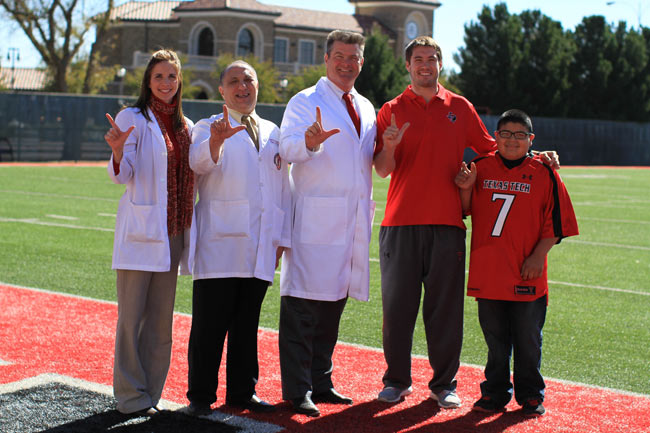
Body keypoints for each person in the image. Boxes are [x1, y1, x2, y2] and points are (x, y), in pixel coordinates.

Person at [373, 36, 560, 408]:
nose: (425, 65)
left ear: (440, 65)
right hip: (400, 224)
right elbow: (381, 169)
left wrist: (536, 155)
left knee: (445, 312)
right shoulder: (391, 110)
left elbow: (496, 148)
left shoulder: (459, 106)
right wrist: (391, 146)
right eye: (418, 59)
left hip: (448, 224)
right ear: (407, 66)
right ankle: (396, 380)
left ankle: (444, 384)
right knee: (397, 309)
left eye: (432, 59)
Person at [278, 29, 377, 417]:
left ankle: (321, 382)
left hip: (349, 223)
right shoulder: (305, 101)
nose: (346, 63)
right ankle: (298, 389)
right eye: (339, 56)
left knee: (333, 306)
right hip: (314, 222)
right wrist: (311, 141)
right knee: (302, 309)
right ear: (326, 59)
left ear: (362, 62)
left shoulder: (366, 106)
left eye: (353, 57)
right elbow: (287, 148)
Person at [454, 109, 578, 417]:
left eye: (520, 135)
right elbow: (465, 211)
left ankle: (531, 394)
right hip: (489, 271)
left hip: (527, 272)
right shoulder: (480, 166)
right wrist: (466, 189)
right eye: (506, 134)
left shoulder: (544, 171)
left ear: (530, 139)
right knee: (495, 342)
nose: (512, 140)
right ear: (495, 137)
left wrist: (538, 256)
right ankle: (494, 393)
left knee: (528, 341)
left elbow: (558, 224)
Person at [185, 60, 291, 416]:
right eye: (234, 81)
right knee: (210, 326)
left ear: (258, 86)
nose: (242, 86)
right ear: (222, 90)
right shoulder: (206, 127)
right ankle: (200, 396)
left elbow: (281, 189)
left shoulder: (273, 130)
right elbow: (198, 163)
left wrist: (281, 238)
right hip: (220, 243)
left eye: (248, 80)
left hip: (261, 244)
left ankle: (243, 392)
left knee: (247, 325)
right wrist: (215, 143)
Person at [105, 49, 195, 416]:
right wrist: (116, 151)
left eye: (172, 77)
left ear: (179, 82)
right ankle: (129, 396)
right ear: (147, 81)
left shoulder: (184, 126)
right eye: (159, 77)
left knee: (160, 320)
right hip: (141, 232)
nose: (166, 83)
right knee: (131, 318)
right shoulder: (133, 118)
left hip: (173, 234)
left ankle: (150, 394)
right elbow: (122, 174)